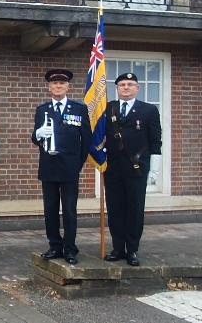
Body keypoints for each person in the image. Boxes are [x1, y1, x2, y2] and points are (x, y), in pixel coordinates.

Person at [32, 69, 92, 265]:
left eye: (61, 84)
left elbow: (87, 140)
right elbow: (35, 138)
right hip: (49, 167)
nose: (58, 86)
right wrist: (39, 133)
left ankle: (70, 248)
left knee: (69, 210)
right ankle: (54, 246)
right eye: (54, 84)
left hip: (69, 169)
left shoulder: (79, 109)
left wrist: (78, 164)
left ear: (68, 87)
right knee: (50, 210)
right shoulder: (42, 110)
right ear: (49, 87)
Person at [104, 72, 162, 266]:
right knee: (115, 208)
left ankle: (132, 250)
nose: (126, 87)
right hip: (112, 168)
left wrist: (154, 170)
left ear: (137, 88)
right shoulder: (108, 108)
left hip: (136, 168)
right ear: (117, 88)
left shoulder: (148, 110)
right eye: (122, 85)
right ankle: (118, 248)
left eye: (130, 84)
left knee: (135, 209)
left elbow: (155, 141)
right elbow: (99, 135)